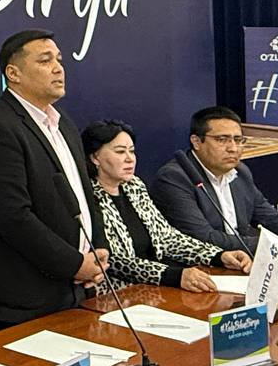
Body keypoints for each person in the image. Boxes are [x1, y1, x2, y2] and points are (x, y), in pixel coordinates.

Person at [0, 29, 110, 327]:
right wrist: (74, 264)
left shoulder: (62, 122)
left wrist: (96, 252)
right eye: (45, 61)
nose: (58, 68)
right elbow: (13, 217)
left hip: (77, 288)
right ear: (13, 73)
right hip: (29, 297)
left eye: (59, 59)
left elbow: (85, 194)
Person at [82, 119, 251, 293]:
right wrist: (173, 276)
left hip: (151, 291)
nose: (129, 159)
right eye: (120, 152)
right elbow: (113, 260)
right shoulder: (87, 196)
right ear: (95, 157)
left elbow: (167, 238)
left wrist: (218, 256)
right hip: (111, 296)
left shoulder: (134, 186)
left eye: (132, 151)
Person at [152, 106, 278, 255]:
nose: (233, 148)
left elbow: (268, 216)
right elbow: (203, 237)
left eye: (238, 140)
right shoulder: (174, 178)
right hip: (201, 269)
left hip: (241, 262)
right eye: (222, 140)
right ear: (196, 142)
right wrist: (276, 246)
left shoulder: (240, 172)